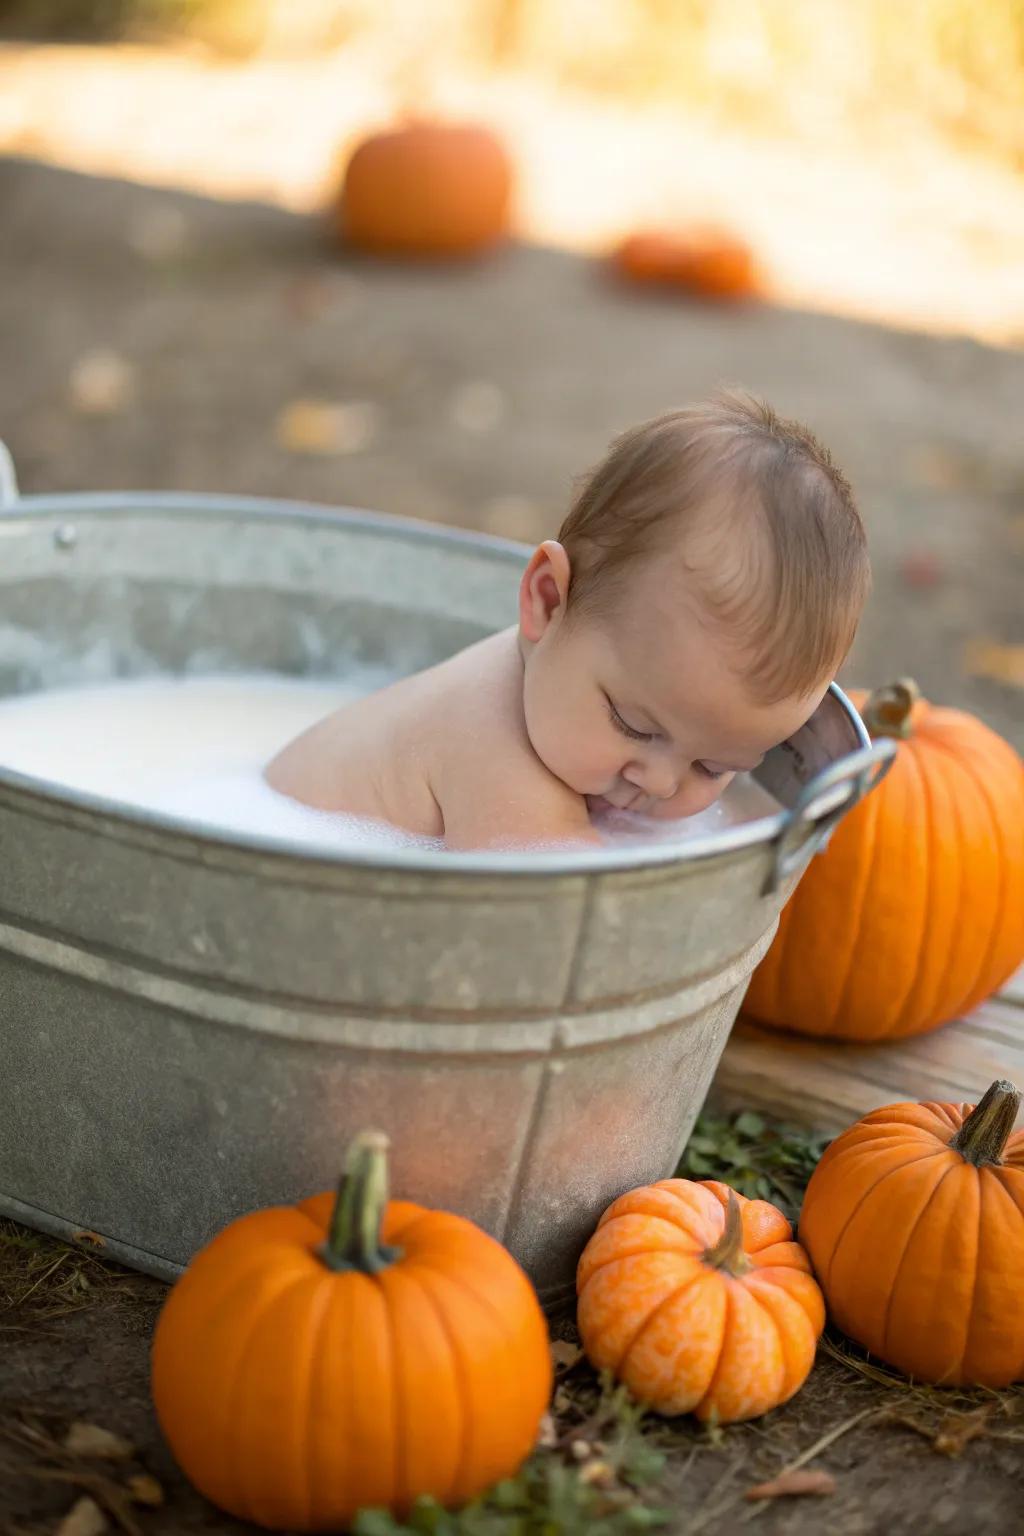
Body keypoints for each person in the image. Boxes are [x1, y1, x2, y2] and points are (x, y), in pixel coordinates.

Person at [265, 391, 870, 850]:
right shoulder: (505, 769)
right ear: (548, 601)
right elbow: (564, 947)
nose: (660, 783)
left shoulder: (561, 680)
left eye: (715, 767)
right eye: (632, 725)